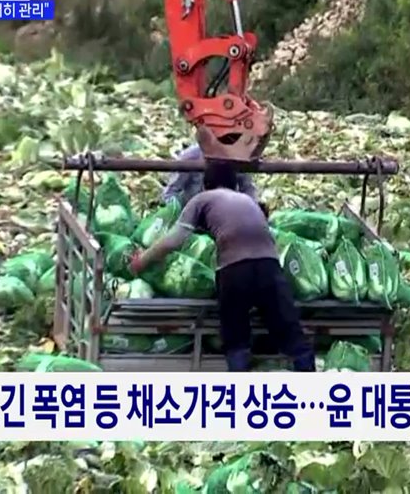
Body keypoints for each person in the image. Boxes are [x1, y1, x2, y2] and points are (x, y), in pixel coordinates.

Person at [130, 159, 315, 372]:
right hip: (270, 268)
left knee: (236, 338)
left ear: (205, 185)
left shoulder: (202, 199)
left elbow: (174, 240)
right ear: (235, 185)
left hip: (234, 271)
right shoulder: (248, 201)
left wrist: (141, 261)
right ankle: (310, 381)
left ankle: (238, 386)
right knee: (290, 333)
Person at [161, 143, 258, 205]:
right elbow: (170, 193)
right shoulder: (190, 157)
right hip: (192, 214)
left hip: (226, 212)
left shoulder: (237, 156)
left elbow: (247, 189)